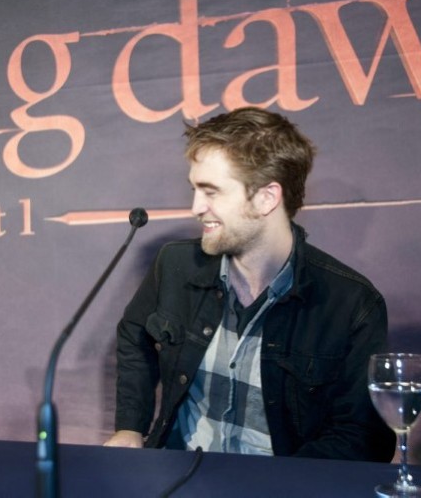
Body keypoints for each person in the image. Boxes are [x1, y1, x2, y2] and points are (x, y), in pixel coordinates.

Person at [103, 107, 396, 461]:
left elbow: (363, 436)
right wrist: (130, 427)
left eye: (211, 192)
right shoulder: (175, 264)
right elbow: (134, 335)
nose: (196, 207)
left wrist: (274, 483)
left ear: (266, 198)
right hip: (177, 475)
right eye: (195, 189)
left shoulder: (351, 304)